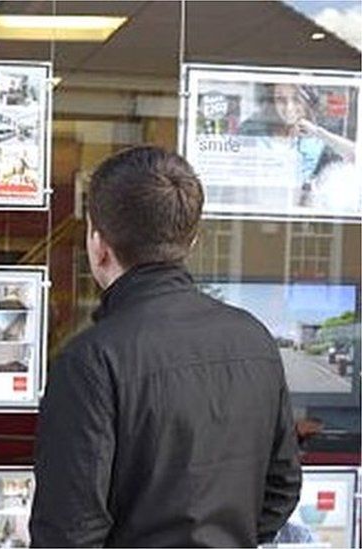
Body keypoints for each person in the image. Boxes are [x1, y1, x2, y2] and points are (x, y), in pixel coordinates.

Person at [29, 146, 301, 547]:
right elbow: (281, 489)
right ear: (191, 241)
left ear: (97, 244)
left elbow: (68, 532)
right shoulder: (254, 339)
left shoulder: (91, 360)